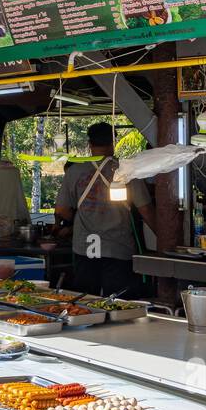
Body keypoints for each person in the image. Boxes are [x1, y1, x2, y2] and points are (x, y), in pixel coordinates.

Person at [54, 122, 157, 297]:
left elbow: (62, 210)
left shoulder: (74, 171)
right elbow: (145, 211)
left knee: (85, 300)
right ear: (113, 142)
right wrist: (166, 239)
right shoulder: (126, 171)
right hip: (117, 247)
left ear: (90, 144)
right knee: (118, 302)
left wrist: (76, 220)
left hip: (84, 248)